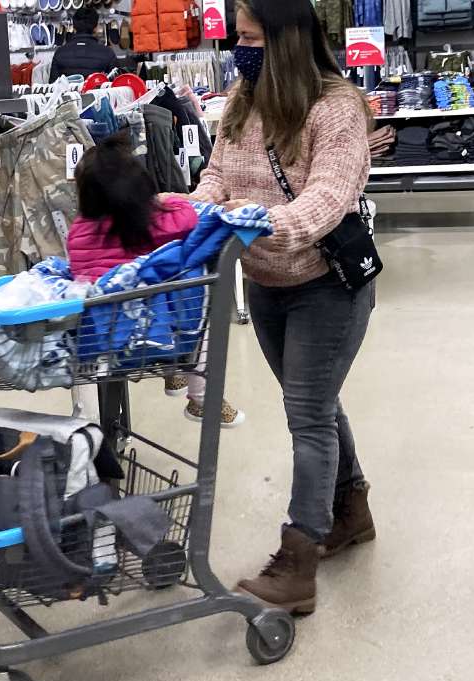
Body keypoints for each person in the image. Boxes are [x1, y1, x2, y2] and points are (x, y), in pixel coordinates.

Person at [188, 0, 375, 614]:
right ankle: (352, 510)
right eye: (237, 37)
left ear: (287, 39)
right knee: (315, 401)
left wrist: (261, 225)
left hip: (327, 282)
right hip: (264, 283)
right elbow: (217, 174)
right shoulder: (242, 98)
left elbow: (330, 195)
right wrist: (195, 213)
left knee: (307, 412)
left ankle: (299, 559)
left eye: (249, 37)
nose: (239, 48)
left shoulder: (337, 107)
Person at [68, 134, 246, 427]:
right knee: (194, 303)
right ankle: (200, 397)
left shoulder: (77, 231)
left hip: (99, 333)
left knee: (151, 288)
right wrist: (165, 200)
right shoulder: (146, 224)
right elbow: (187, 218)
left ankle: (171, 374)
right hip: (147, 330)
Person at [49, 8, 118, 82]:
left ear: (74, 28)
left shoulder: (60, 52)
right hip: (97, 92)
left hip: (68, 93)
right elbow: (116, 86)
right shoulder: (107, 53)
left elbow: (52, 85)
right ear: (96, 28)